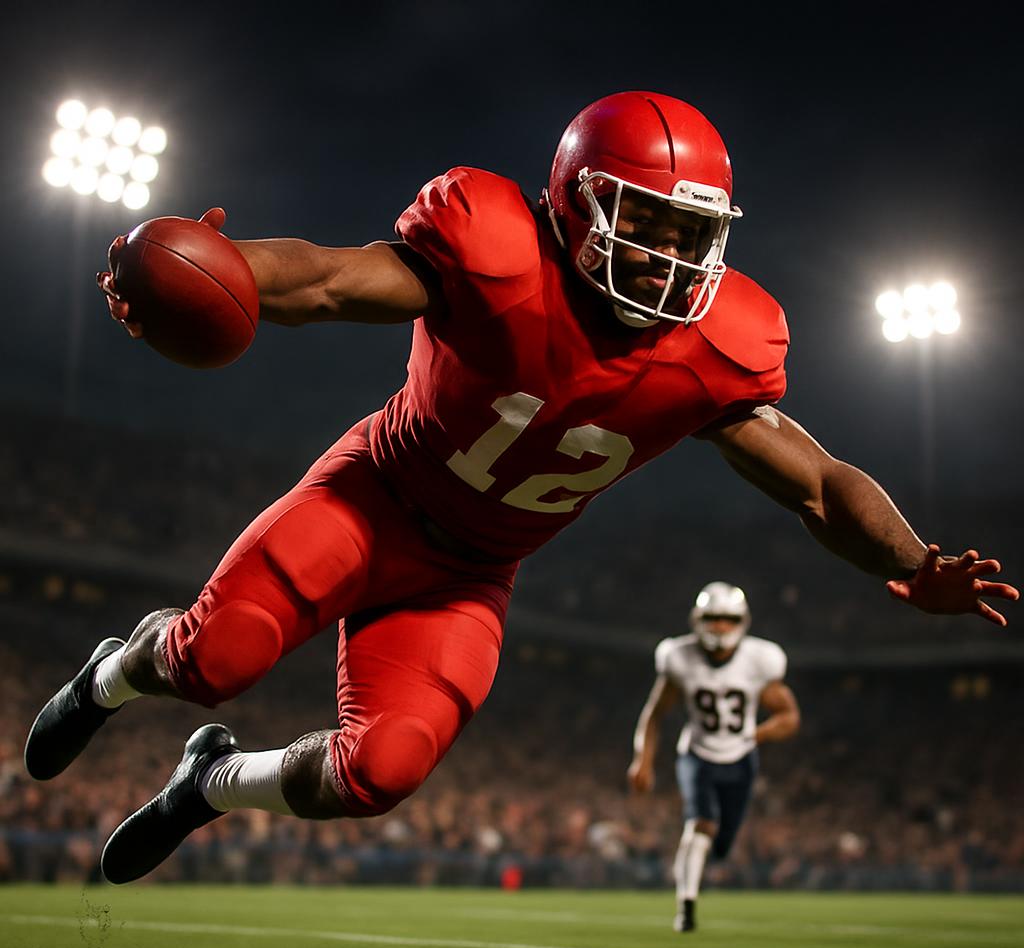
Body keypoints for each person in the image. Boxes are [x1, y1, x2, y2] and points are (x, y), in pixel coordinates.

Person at [23, 91, 1017, 884]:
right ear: (572, 203)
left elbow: (817, 484)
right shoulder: (491, 247)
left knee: (385, 770)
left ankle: (211, 782)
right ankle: (109, 674)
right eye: (647, 224)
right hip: (371, 498)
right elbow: (325, 279)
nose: (668, 258)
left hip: (470, 572)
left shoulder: (721, 347)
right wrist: (221, 268)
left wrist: (914, 560)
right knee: (215, 655)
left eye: (689, 233)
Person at [628, 581, 800, 932]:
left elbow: (789, 716)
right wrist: (642, 759)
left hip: (741, 758)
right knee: (701, 823)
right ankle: (686, 906)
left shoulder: (759, 660)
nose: (720, 626)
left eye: (727, 618)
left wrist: (759, 733)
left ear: (741, 621)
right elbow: (654, 714)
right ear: (698, 619)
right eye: (713, 618)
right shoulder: (679, 657)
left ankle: (704, 867)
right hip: (698, 754)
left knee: (722, 845)